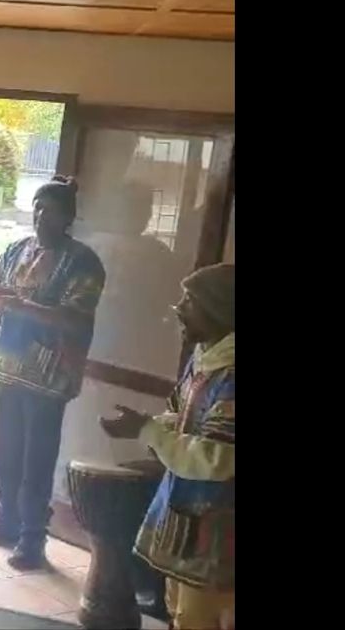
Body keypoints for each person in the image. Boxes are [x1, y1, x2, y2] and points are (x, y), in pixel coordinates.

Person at [0, 177, 107, 570]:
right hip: (8, 367)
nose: (42, 216)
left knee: (37, 457)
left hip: (50, 376)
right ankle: (4, 520)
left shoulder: (83, 261)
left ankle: (32, 539)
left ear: (69, 217)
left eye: (52, 210)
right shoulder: (17, 250)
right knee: (5, 449)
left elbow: (74, 316)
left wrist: (20, 304)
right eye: (37, 207)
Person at [101, 263, 234, 630]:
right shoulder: (206, 357)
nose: (178, 308)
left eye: (190, 300)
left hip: (218, 528)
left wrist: (147, 431)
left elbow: (217, 459)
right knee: (180, 610)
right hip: (186, 512)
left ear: (219, 310)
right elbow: (178, 414)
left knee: (199, 618)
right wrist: (147, 427)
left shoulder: (231, 375)